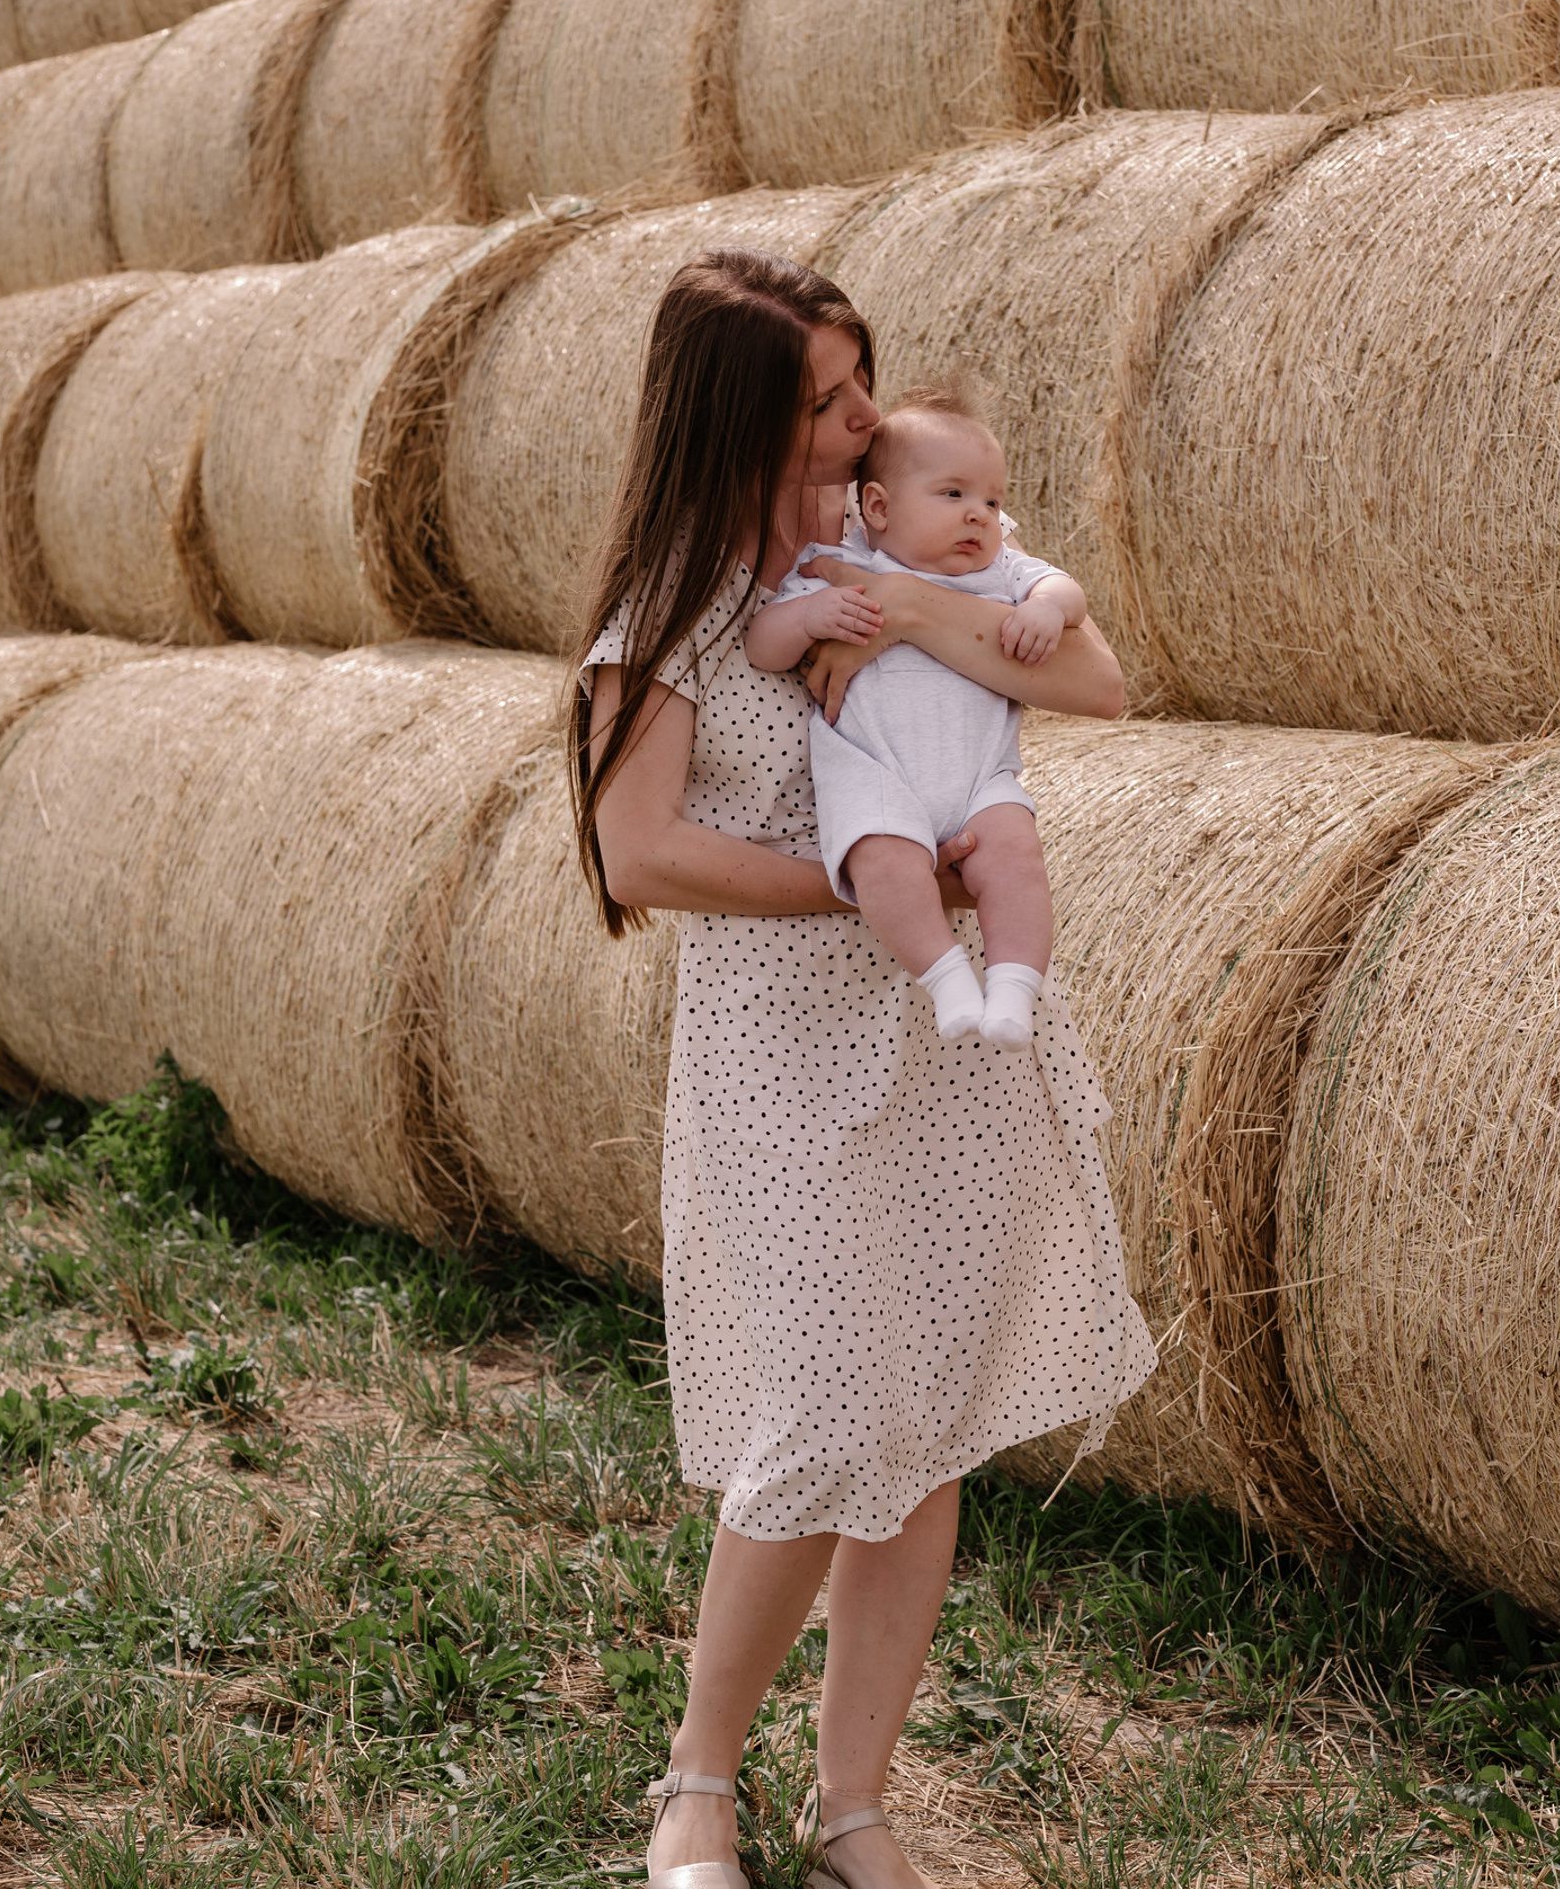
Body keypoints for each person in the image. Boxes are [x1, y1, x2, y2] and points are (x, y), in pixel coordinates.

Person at [574, 247, 1157, 1889]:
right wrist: (858, 879)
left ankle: (855, 1814)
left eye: (857, 382)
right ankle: (696, 1783)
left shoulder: (906, 532)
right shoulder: (679, 614)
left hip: (945, 1051)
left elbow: (1100, 685)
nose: (862, 415)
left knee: (925, 1430)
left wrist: (921, 605)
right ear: (738, 418)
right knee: (823, 1413)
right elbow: (640, 852)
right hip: (782, 1061)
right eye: (826, 400)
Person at [744, 386, 1085, 1052]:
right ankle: (947, 977)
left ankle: (1014, 986)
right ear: (878, 506)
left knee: (1016, 858)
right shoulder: (844, 569)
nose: (980, 516)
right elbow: (762, 643)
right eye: (953, 495)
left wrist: (1048, 608)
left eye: (991, 499)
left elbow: (1063, 587)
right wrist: (809, 618)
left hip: (982, 777)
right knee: (882, 864)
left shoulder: (1001, 572)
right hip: (881, 779)